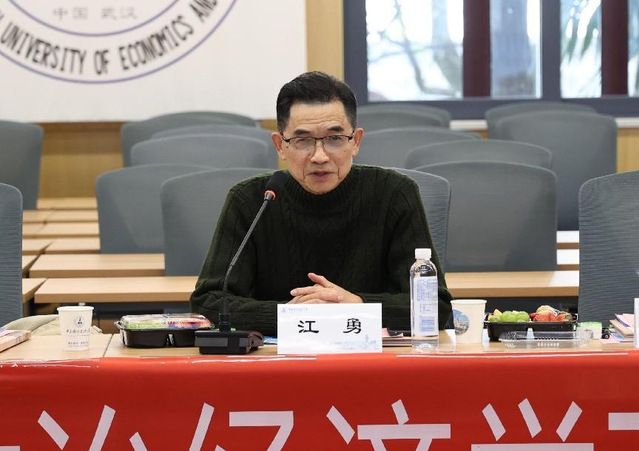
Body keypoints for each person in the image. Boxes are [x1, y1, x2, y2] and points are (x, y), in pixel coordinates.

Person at [190, 71, 452, 336]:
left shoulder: (395, 194)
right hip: (277, 357)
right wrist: (291, 315)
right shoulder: (252, 200)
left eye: (334, 139)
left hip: (372, 355)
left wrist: (356, 305)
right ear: (280, 146)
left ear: (356, 141)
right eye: (303, 140)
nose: (319, 156)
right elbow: (208, 302)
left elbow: (436, 306)